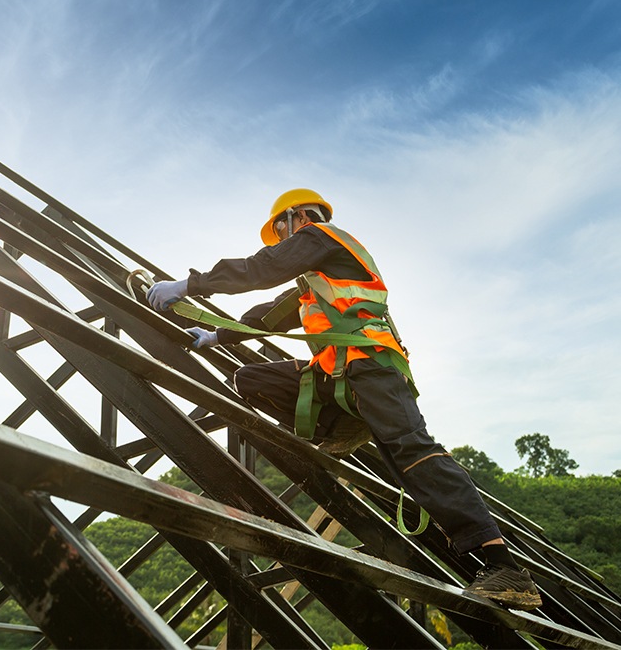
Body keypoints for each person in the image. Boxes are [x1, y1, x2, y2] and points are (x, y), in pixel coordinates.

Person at [145, 188, 542, 610]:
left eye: (280, 230)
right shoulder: (317, 277)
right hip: (341, 377)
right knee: (252, 379)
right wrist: (215, 335)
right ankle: (343, 424)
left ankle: (505, 567)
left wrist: (192, 283)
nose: (280, 240)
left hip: (373, 367)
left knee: (414, 453)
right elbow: (268, 315)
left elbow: (263, 268)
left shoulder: (324, 237)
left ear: (296, 217)